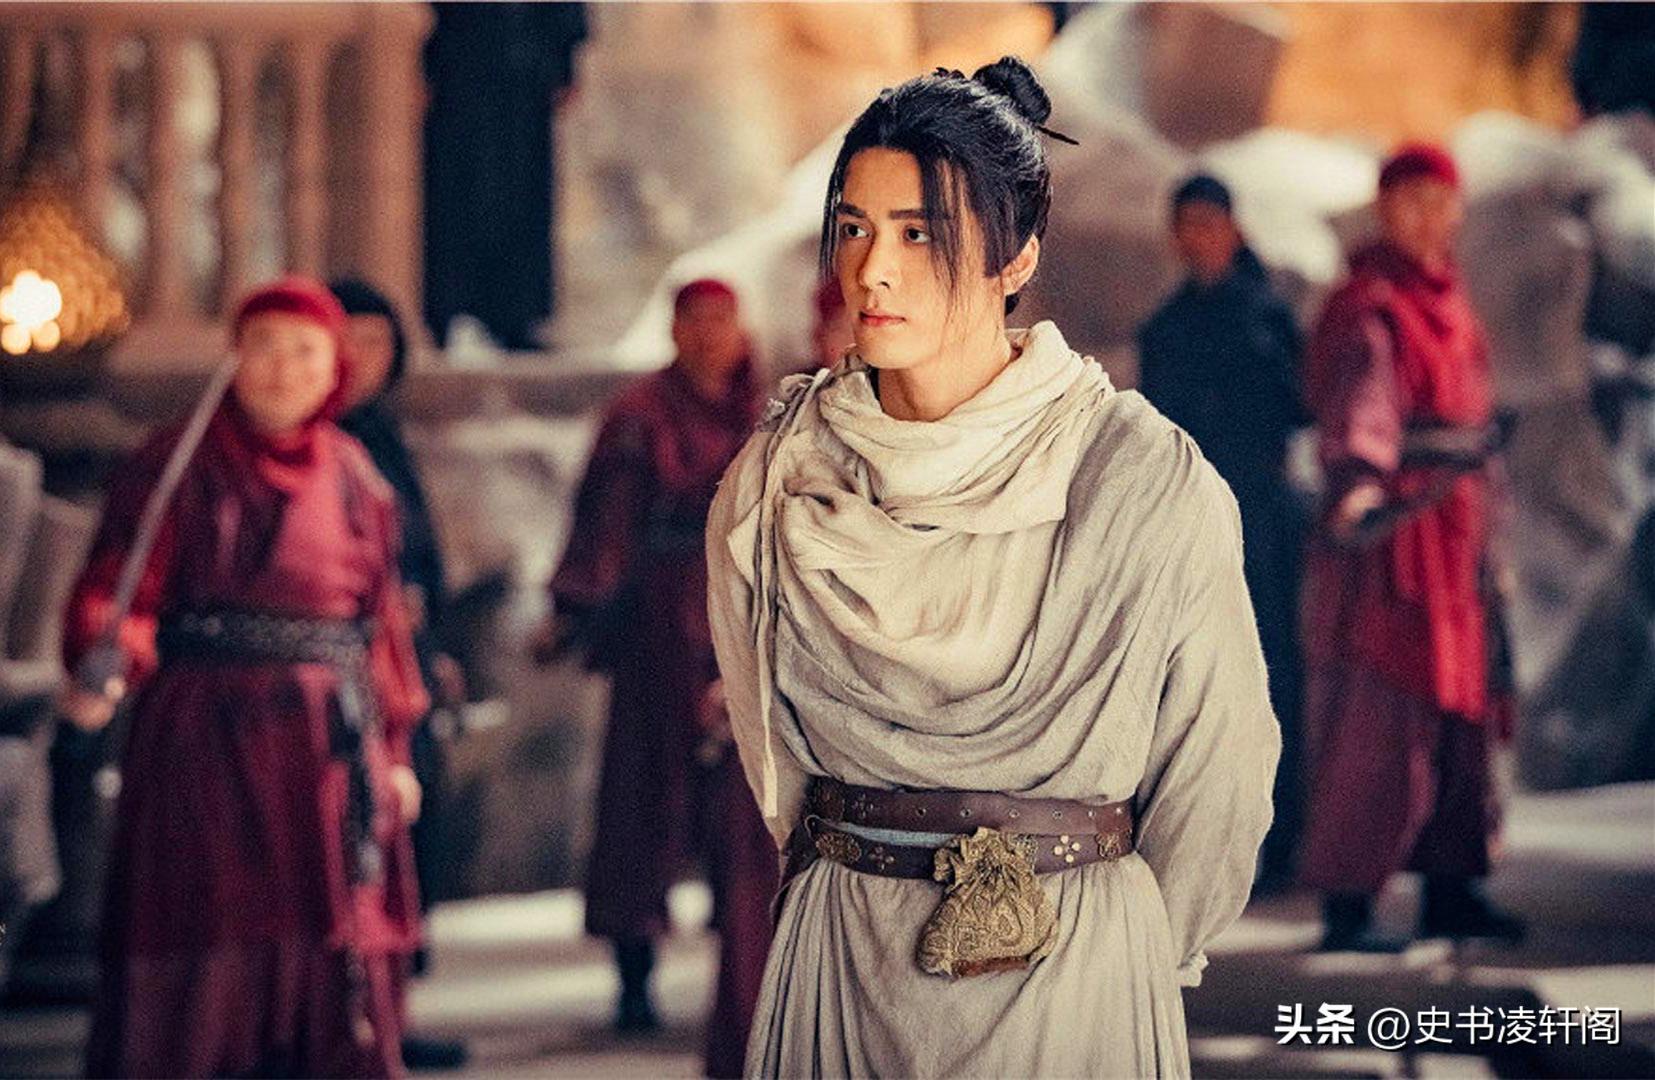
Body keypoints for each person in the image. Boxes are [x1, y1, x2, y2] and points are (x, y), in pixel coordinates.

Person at [706, 59, 1278, 1077]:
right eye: (854, 227)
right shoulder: (779, 477)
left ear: (1015, 258)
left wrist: (1125, 951)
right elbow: (773, 759)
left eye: (919, 233)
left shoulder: (1141, 481)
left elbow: (1217, 773)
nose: (872, 270)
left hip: (1075, 965)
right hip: (842, 956)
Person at [60, 277, 428, 1078]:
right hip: (206, 734)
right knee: (209, 918)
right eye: (264, 348)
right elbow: (121, 583)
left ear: (334, 366)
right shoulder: (175, 462)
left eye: (304, 352)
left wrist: (395, 750)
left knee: (330, 929)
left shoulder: (356, 475)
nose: (283, 370)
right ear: (233, 357)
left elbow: (378, 623)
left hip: (326, 740)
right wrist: (106, 659)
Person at [538, 279, 776, 1068]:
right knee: (642, 803)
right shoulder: (637, 417)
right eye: (693, 321)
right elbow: (605, 518)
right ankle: (633, 977)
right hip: (658, 632)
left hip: (743, 621)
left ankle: (744, 979)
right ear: (674, 330)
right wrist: (576, 606)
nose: (709, 335)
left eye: (721, 320)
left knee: (745, 813)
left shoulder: (765, 411)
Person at [1296, 144, 1525, 952]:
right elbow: (1360, 404)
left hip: (1461, 535)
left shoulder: (1452, 301)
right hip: (1396, 531)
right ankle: (1348, 904)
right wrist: (1358, 483)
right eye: (1410, 199)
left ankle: (1451, 890)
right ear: (1385, 209)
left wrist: (1493, 537)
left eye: (1440, 199)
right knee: (1381, 715)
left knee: (1463, 715)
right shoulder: (1369, 303)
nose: (1428, 216)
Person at [1137, 173, 1309, 889]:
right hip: (1192, 527)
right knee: (1196, 680)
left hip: (1264, 524)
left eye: (1211, 223)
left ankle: (1280, 842)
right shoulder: (1165, 328)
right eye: (1188, 224)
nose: (1200, 237)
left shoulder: (1269, 317)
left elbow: (1299, 411)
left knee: (1272, 674)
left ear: (1233, 229)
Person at [331, 278, 468, 1071]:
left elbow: (418, 555)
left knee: (408, 839)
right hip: (333, 672)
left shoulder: (383, 435)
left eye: (378, 342)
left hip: (397, 667)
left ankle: (388, 1013)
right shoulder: (322, 439)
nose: (362, 358)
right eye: (347, 339)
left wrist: (432, 648)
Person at [422, 2, 588, 349]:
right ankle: (442, 312)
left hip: (525, 76)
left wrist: (565, 63)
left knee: (520, 202)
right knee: (453, 200)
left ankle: (516, 318)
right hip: (455, 69)